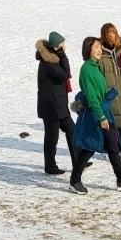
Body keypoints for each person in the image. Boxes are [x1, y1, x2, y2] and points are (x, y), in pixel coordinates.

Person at [68, 37, 121, 194]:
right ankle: (74, 181)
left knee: (112, 146)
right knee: (89, 148)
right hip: (96, 115)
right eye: (96, 47)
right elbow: (92, 98)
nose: (99, 50)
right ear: (88, 50)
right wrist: (102, 118)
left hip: (103, 112)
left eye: (100, 47)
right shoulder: (87, 69)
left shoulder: (96, 66)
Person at [36, 32, 74, 175]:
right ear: (57, 46)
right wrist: (63, 55)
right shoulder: (49, 62)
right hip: (51, 106)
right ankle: (50, 166)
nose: (65, 46)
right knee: (52, 138)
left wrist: (61, 56)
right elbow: (65, 74)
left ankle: (78, 160)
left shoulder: (53, 59)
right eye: (62, 44)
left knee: (72, 131)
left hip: (59, 105)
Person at [97, 23, 121, 156]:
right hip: (108, 94)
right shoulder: (99, 54)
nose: (111, 36)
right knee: (111, 123)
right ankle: (110, 150)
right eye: (108, 33)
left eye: (113, 32)